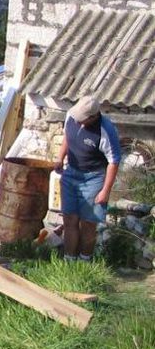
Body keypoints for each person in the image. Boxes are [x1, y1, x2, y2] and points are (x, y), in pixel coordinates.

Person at [56, 94, 121, 260]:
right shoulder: (71, 115)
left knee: (88, 223)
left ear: (93, 117)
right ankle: (69, 261)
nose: (78, 122)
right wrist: (59, 158)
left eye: (82, 120)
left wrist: (105, 191)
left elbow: (113, 162)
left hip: (93, 178)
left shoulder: (106, 130)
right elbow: (67, 138)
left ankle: (85, 261)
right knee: (69, 219)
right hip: (71, 173)